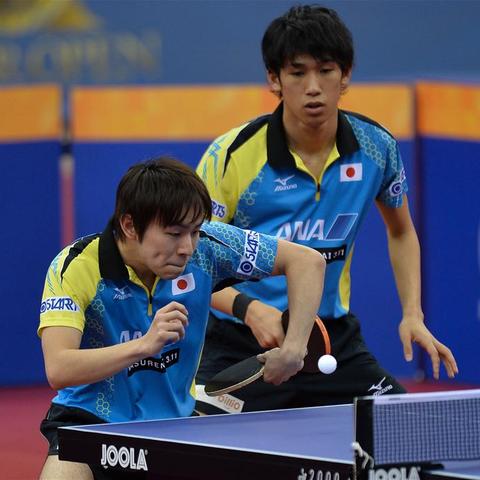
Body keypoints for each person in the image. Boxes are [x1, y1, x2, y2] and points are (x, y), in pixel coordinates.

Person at [194, 4, 458, 415]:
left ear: (345, 75)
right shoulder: (230, 157)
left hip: (330, 339)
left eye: (326, 70)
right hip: (243, 340)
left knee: (405, 432)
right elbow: (193, 256)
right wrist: (250, 309)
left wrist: (412, 314)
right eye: (297, 73)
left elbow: (401, 231)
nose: (313, 87)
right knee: (196, 441)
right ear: (274, 79)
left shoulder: (376, 149)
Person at [37, 157, 326, 480]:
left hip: (172, 427)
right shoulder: (76, 267)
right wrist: (144, 345)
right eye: (174, 233)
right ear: (130, 226)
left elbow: (307, 262)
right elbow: (59, 368)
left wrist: (295, 348)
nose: (187, 247)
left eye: (195, 231)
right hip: (88, 423)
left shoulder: (207, 250)